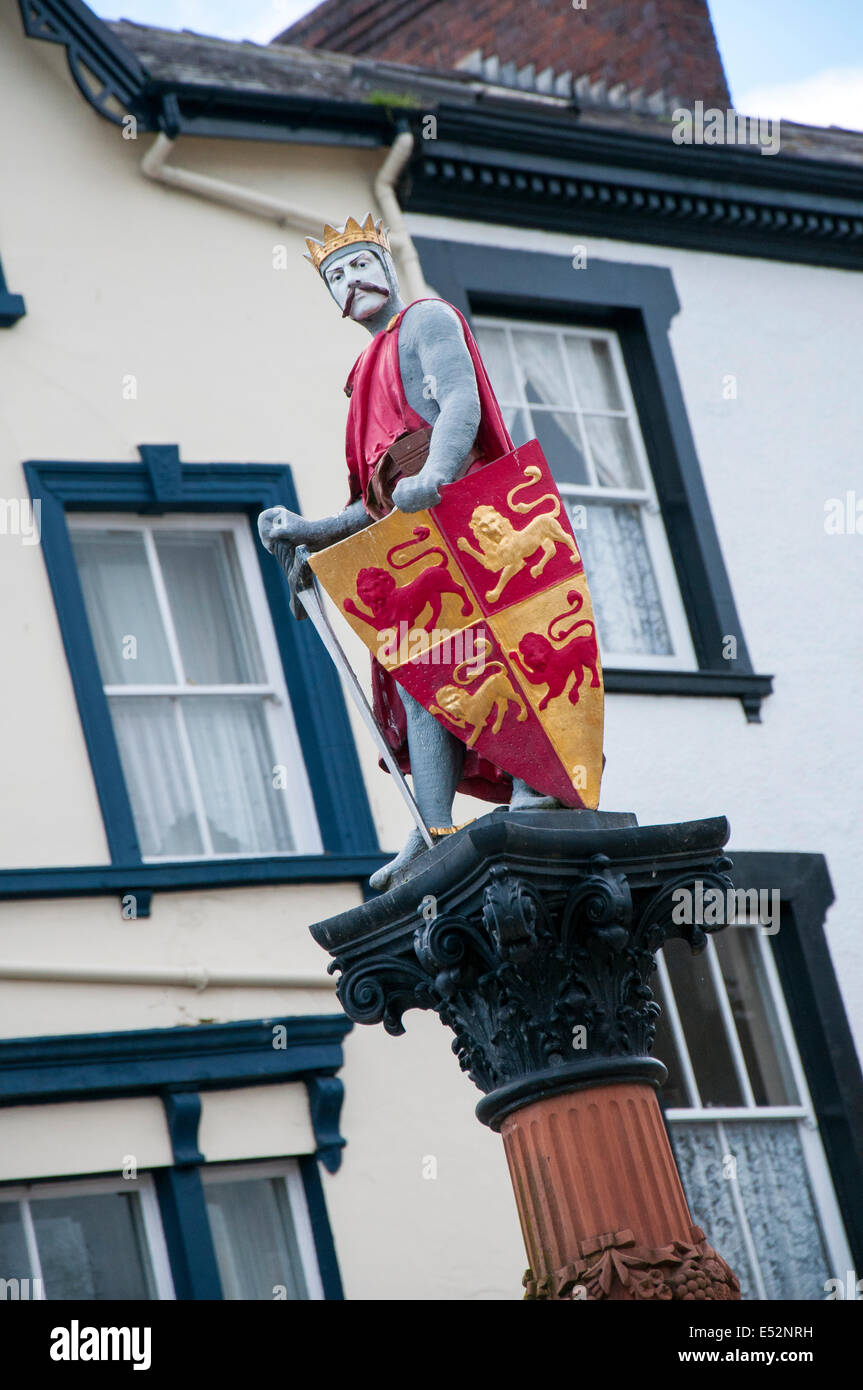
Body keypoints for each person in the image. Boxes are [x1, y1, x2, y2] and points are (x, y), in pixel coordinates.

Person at [258, 216, 557, 890]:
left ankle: (533, 783)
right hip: (410, 533)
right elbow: (375, 505)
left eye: (360, 264)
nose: (351, 280)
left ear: (386, 266)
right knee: (421, 682)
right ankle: (432, 829)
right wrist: (307, 530)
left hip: (461, 518)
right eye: (336, 275)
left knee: (487, 654)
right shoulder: (361, 375)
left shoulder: (425, 320)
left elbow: (459, 405)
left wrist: (439, 471)